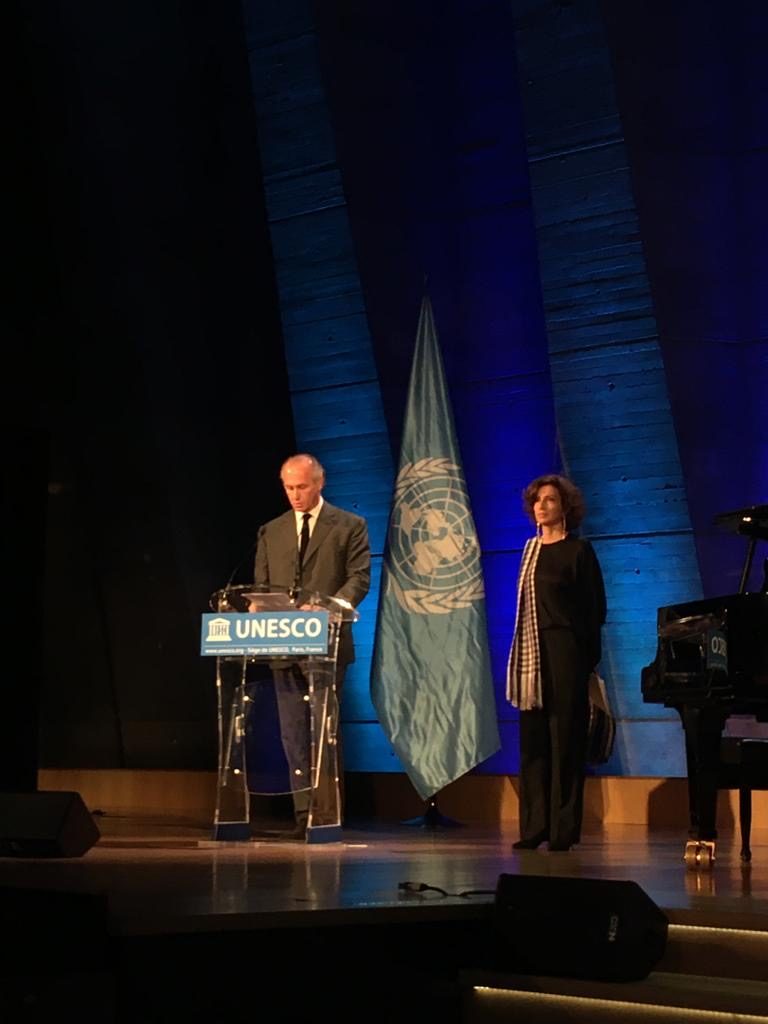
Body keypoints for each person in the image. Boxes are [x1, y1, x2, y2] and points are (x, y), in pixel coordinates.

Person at [253, 453, 370, 835]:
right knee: (292, 732)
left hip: (327, 644)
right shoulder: (271, 531)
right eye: (289, 488)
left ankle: (326, 814)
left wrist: (325, 606)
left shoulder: (349, 525)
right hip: (283, 646)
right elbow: (261, 587)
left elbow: (359, 579)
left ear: (319, 483)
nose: (295, 495)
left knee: (324, 729)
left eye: (302, 486)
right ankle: (303, 816)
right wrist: (256, 605)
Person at [506, 474, 606, 852]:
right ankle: (534, 828)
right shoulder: (529, 550)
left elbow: (595, 610)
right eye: (537, 500)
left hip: (566, 649)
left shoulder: (579, 552)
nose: (542, 506)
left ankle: (563, 830)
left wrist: (583, 661)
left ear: (565, 508)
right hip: (531, 656)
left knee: (565, 740)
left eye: (550, 500)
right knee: (533, 741)